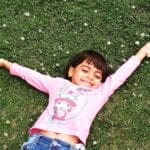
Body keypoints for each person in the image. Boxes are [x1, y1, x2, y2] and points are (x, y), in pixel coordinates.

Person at [0, 42, 150, 150]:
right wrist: (6, 64)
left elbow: (121, 75)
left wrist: (143, 52)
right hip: (38, 144)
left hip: (69, 147)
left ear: (100, 83)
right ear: (71, 71)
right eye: (85, 70)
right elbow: (32, 76)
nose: (90, 76)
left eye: (97, 75)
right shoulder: (58, 84)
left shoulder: (99, 92)